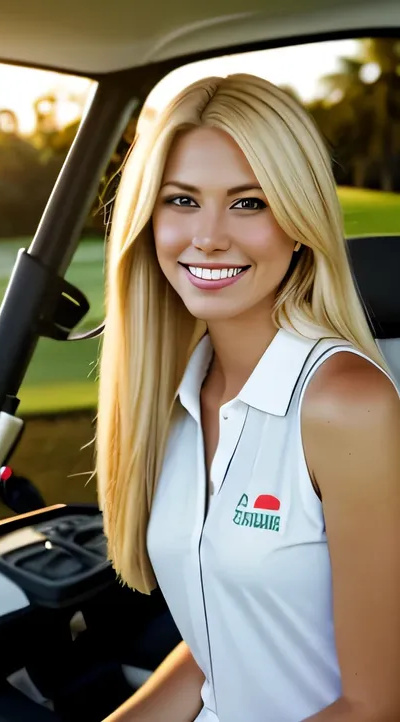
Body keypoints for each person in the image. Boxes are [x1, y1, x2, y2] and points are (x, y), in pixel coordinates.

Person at [95, 73, 400, 722]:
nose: (207, 237)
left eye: (248, 203)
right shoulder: (176, 392)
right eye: (181, 200)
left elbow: (375, 707)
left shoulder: (346, 405)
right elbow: (218, 645)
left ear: (298, 223)